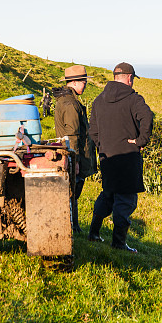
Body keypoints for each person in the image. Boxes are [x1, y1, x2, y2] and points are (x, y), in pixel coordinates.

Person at [87, 62, 153, 253]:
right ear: (130, 78)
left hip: (107, 157)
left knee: (108, 193)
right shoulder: (134, 99)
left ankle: (93, 233)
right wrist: (141, 141)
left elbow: (93, 130)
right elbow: (147, 117)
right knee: (126, 199)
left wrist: (102, 146)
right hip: (127, 157)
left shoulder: (99, 100)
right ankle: (118, 243)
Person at [53, 65, 97, 233]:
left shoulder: (65, 100)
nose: (85, 85)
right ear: (75, 82)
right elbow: (72, 135)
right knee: (72, 192)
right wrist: (76, 160)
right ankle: (72, 227)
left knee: (72, 192)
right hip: (73, 156)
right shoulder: (70, 104)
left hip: (70, 154)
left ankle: (74, 226)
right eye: (84, 81)